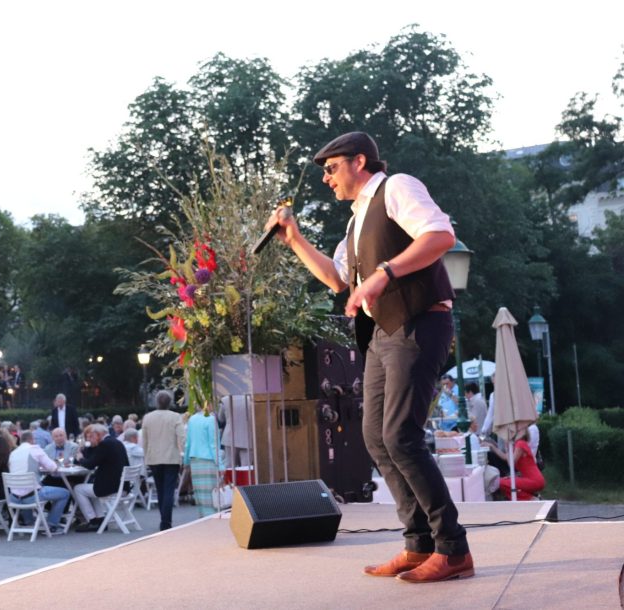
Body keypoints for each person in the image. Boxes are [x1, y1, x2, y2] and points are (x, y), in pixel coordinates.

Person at [266, 131, 472, 582]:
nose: (326, 178)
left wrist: (383, 274)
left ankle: (453, 547)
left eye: (331, 168)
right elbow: (338, 279)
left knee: (400, 435)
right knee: (376, 438)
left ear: (359, 161)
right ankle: (419, 544)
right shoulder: (356, 221)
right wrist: (295, 239)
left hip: (419, 322)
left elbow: (440, 236)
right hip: (381, 333)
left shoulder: (396, 187)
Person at [7, 430, 70, 534]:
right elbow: (53, 467)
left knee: (26, 489)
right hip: (32, 497)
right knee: (65, 493)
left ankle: (29, 521)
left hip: (14, 498)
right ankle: (51, 524)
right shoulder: (34, 449)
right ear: (32, 440)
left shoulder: (13, 453)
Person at [141, 390, 185, 531]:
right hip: (171, 458)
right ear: (170, 403)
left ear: (156, 402)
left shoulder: (148, 418)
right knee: (168, 490)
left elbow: (144, 440)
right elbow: (182, 437)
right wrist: (183, 451)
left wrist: (146, 456)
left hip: (154, 458)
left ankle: (164, 519)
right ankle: (166, 521)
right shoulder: (175, 417)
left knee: (160, 490)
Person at [74, 423, 129, 532]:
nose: (89, 439)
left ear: (98, 434)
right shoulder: (116, 442)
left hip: (111, 488)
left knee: (78, 489)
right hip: (122, 486)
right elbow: (93, 458)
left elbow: (90, 464)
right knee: (90, 488)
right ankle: (100, 519)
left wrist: (80, 458)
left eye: (91, 436)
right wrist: (87, 447)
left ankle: (93, 520)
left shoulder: (105, 444)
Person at [483, 428, 545, 500]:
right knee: (504, 481)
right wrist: (492, 446)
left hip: (534, 480)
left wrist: (507, 448)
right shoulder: (520, 443)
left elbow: (511, 464)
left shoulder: (520, 444)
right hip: (532, 479)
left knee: (500, 483)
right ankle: (531, 497)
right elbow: (505, 457)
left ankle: (531, 498)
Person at [184, 404, 223, 518]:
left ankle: (203, 520)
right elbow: (214, 445)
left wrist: (186, 461)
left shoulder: (192, 419)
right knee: (212, 498)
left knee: (200, 497)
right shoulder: (211, 419)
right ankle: (212, 521)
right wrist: (221, 465)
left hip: (195, 462)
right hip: (209, 461)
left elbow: (188, 443)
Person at [217, 394, 252, 468]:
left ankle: (231, 476)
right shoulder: (250, 399)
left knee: (230, 465)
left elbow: (221, 418)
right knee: (246, 467)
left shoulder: (225, 400)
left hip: (230, 437)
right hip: (247, 437)